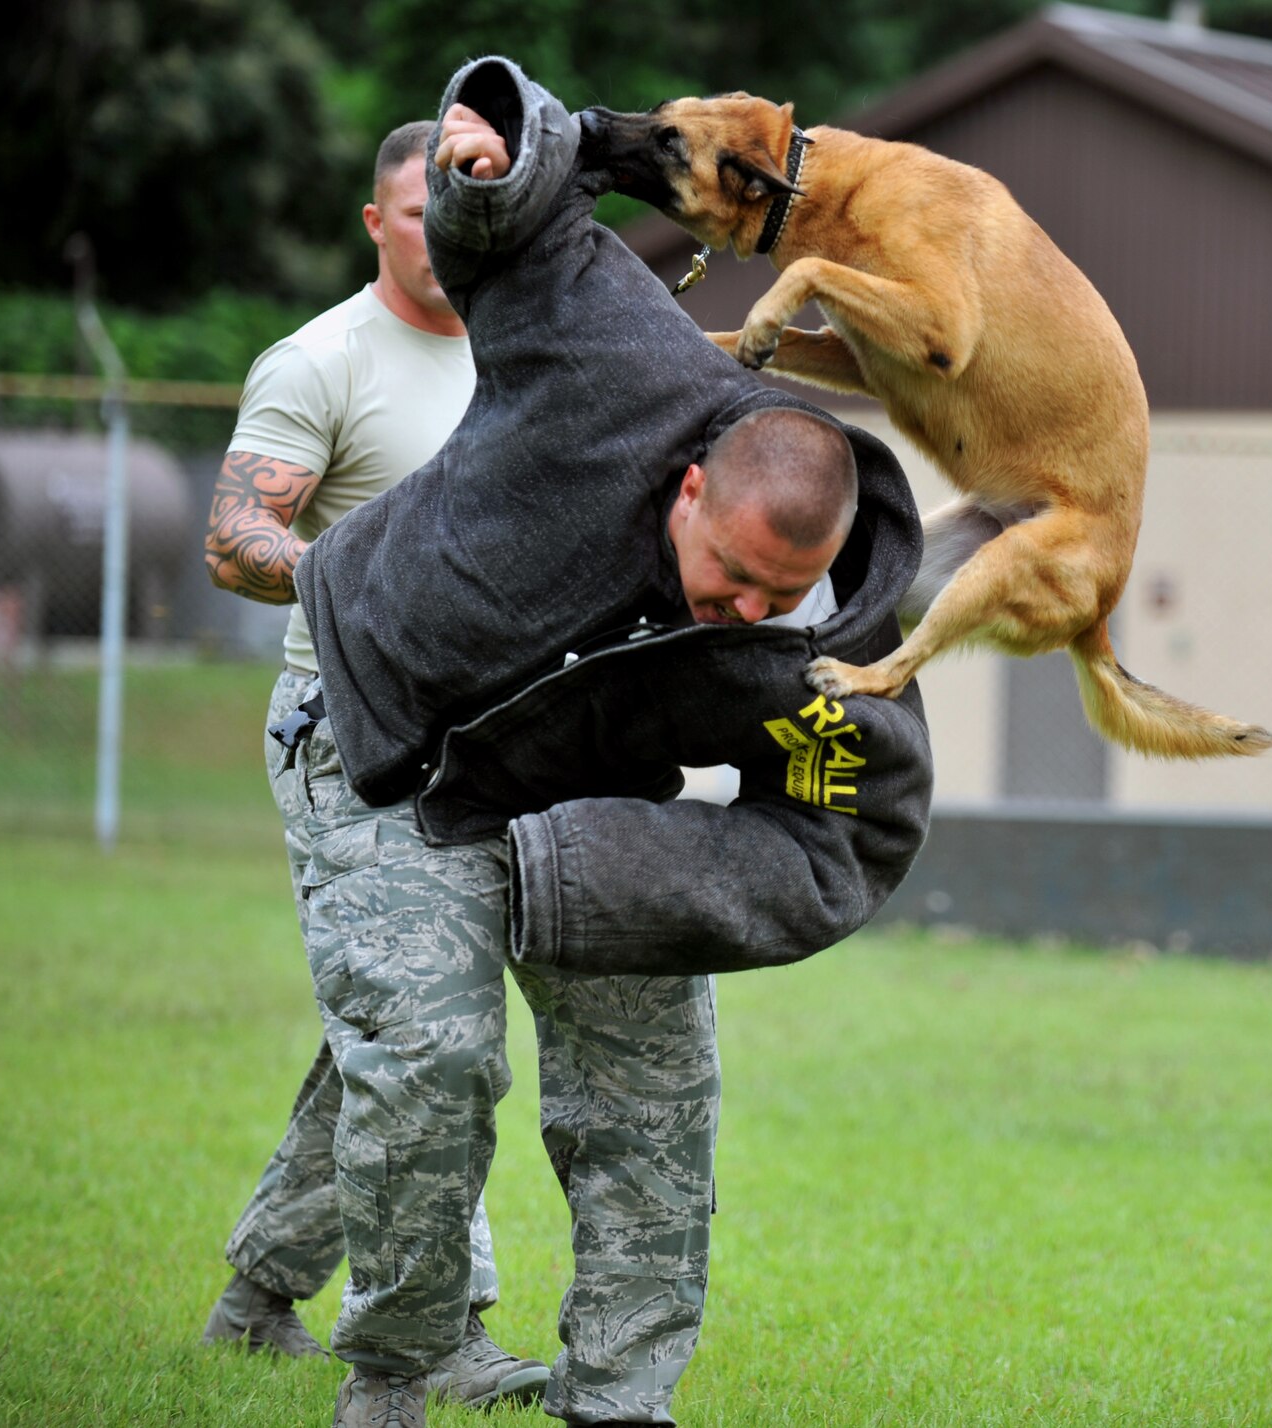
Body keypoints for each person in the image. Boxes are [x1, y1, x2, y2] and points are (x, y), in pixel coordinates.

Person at [277, 56, 935, 1428]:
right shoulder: (618, 366)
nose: (741, 611)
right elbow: (522, 228)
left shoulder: (830, 655)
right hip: (378, 731)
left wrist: (628, 873)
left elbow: (842, 833)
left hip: (580, 815)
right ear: (692, 480)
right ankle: (396, 1375)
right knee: (429, 1057)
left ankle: (621, 1400)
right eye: (729, 575)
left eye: (771, 599)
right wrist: (491, 157)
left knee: (656, 1096)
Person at [200, 119, 549, 1407]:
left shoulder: (533, 345)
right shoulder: (324, 359)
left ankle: (255, 1297)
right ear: (375, 222)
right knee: (433, 1032)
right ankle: (439, 1331)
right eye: (420, 214)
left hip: (501, 750)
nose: (447, 234)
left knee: (392, 1028)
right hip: (349, 741)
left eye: (469, 209)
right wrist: (361, 581)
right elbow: (235, 536)